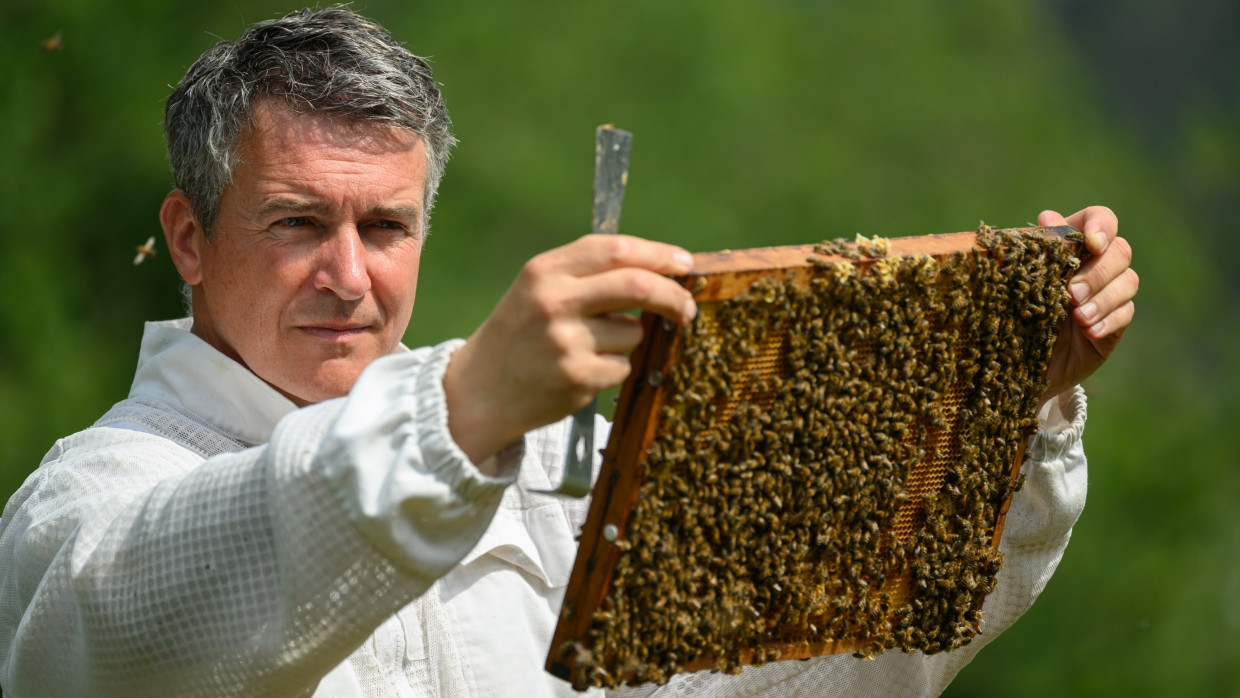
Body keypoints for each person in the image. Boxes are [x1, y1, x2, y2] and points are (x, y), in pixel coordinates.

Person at [0, 7, 1138, 698]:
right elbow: (135, 624)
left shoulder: (540, 459)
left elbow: (799, 673)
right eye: (297, 221)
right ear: (189, 236)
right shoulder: (86, 503)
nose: (348, 274)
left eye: (384, 226)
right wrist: (457, 414)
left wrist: (996, 405)